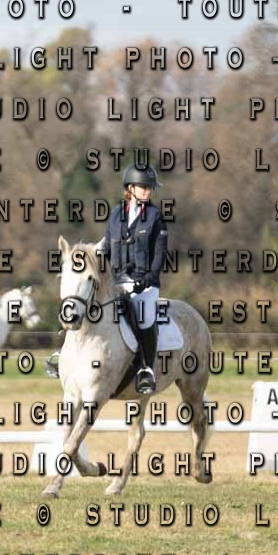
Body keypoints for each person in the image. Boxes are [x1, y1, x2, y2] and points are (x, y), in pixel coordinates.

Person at [45, 162, 167, 394]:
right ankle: (64, 354)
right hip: (117, 280)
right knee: (83, 301)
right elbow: (106, 245)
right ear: (130, 188)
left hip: (144, 284)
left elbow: (160, 256)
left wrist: (148, 279)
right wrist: (87, 255)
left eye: (150, 187)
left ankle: (146, 370)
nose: (148, 191)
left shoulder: (155, 217)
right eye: (144, 187)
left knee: (144, 316)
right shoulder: (117, 214)